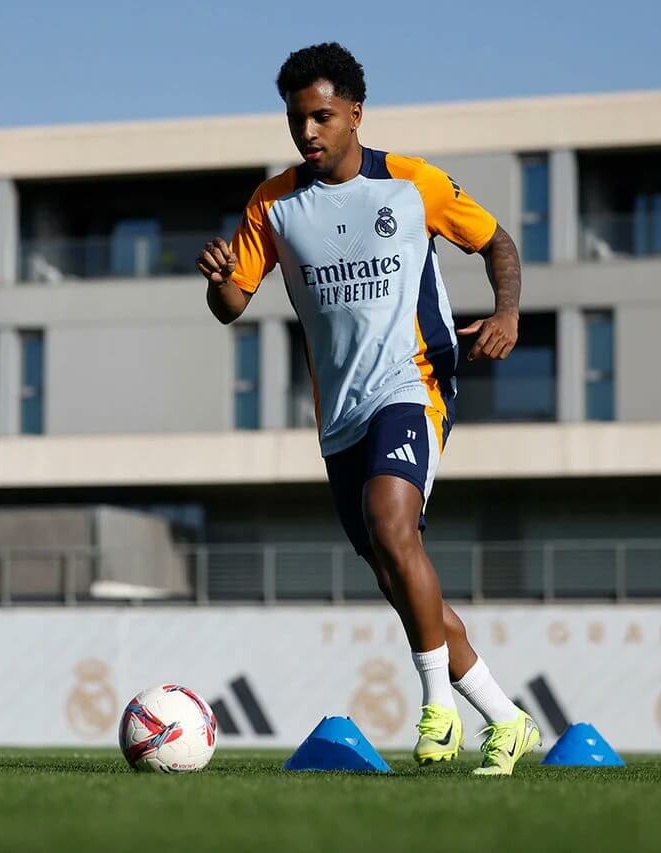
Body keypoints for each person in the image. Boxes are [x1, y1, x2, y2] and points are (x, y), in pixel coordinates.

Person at [197, 42, 537, 774]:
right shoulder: (272, 203)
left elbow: (496, 241)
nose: (308, 132)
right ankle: (508, 719)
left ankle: (436, 709)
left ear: (355, 113)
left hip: (414, 382)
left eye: (322, 116)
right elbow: (232, 306)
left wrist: (507, 312)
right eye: (297, 120)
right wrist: (222, 279)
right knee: (396, 565)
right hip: (339, 410)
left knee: (392, 522)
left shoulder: (413, 184)